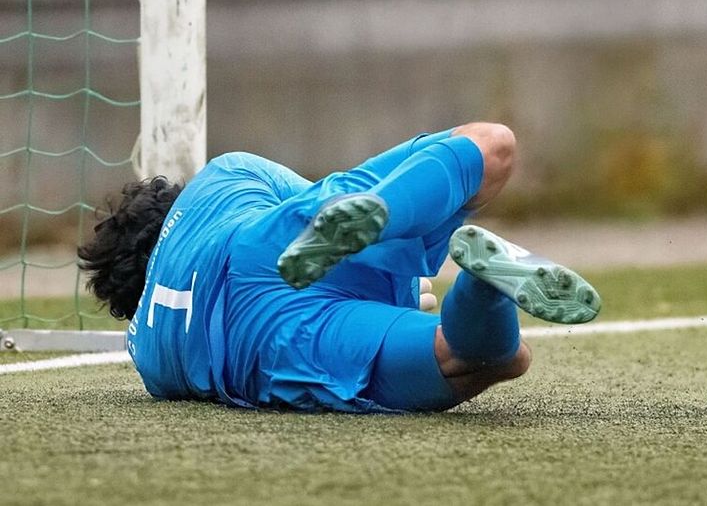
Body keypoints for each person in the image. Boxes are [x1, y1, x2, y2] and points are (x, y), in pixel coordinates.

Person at [78, 123, 601, 413]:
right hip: (265, 244)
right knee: (492, 146)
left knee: (491, 358)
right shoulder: (219, 180)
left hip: (264, 339)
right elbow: (316, 200)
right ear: (170, 203)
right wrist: (393, 266)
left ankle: (485, 289)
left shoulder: (148, 355)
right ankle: (394, 211)